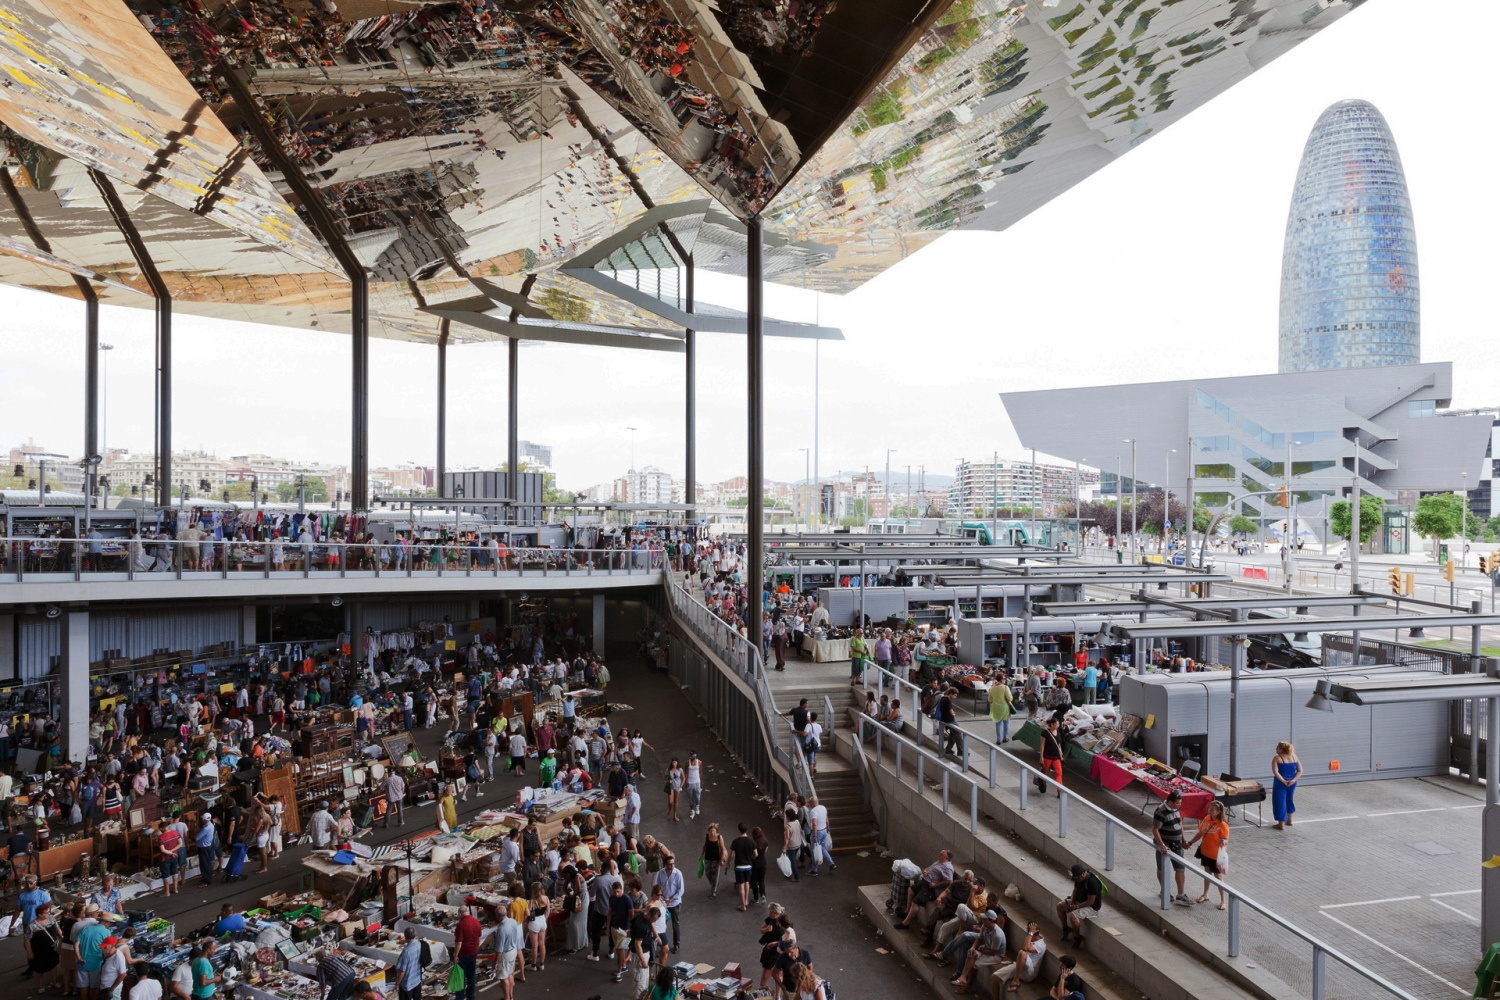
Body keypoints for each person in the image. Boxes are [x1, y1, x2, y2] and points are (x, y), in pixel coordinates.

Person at [1186, 800, 1230, 909]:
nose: (1209, 811)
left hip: (1216, 856)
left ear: (1218, 812)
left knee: (1218, 876)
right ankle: (1205, 894)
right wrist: (1190, 842)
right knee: (1207, 873)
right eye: (1209, 808)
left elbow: (1225, 839)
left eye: (1212, 809)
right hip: (1205, 852)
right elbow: (1200, 833)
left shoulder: (1223, 825)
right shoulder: (1206, 819)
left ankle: (1223, 900)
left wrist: (1223, 842)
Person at [1152, 790, 1192, 905]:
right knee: (1162, 868)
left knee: (1180, 868)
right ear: (1170, 802)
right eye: (1177, 803)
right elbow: (1155, 829)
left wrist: (1183, 840)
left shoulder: (1176, 808)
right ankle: (1164, 890)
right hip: (1165, 846)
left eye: (1180, 803)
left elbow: (1180, 824)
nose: (1180, 806)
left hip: (1177, 845)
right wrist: (1162, 845)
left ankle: (1181, 894)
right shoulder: (1160, 811)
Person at [949, 909, 1005, 993]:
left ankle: (968, 986)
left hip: (996, 955)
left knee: (975, 964)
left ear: (991, 921)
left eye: (985, 919)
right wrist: (973, 947)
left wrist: (980, 949)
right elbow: (979, 939)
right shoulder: (984, 927)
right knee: (971, 953)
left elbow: (993, 952)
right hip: (986, 947)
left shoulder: (998, 935)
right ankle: (963, 977)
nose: (982, 921)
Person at [990, 921, 1045, 995]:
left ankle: (1016, 981)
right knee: (994, 977)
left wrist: (1030, 933)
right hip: (1020, 966)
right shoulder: (1028, 938)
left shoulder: (1041, 944)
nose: (1027, 930)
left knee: (1022, 953)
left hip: (1029, 973)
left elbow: (1025, 948)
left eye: (1029, 929)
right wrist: (1030, 934)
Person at [1055, 864, 1102, 947]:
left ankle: (1077, 937)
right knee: (1059, 906)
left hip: (1091, 907)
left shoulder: (1092, 882)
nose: (1077, 880)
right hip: (1079, 901)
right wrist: (1072, 899)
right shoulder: (1078, 878)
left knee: (1073, 917)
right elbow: (1075, 890)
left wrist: (1077, 907)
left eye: (1078, 878)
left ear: (1083, 873)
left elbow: (1091, 901)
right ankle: (1065, 929)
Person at [26, 900, 61, 987]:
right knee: (40, 969)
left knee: (53, 965)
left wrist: (60, 935)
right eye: (46, 912)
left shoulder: (51, 919)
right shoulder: (32, 926)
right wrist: (29, 952)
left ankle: (54, 981)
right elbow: (27, 940)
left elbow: (57, 928)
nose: (49, 914)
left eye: (49, 912)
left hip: (52, 948)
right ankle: (41, 985)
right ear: (39, 914)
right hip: (39, 951)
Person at [654, 854, 684, 952]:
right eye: (669, 864)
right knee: (662, 924)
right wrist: (661, 896)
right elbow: (658, 885)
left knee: (675, 925)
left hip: (675, 903)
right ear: (665, 864)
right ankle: (662, 944)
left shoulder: (678, 873)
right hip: (664, 904)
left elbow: (681, 890)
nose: (671, 866)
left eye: (673, 864)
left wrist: (671, 899)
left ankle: (676, 945)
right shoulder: (661, 873)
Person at [453, 905, 482, 1000]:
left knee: (461, 977)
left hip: (463, 954)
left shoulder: (461, 924)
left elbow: (459, 942)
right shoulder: (476, 922)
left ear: (460, 913)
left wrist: (455, 955)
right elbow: (479, 937)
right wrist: (476, 948)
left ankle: (460, 997)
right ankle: (471, 993)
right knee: (471, 974)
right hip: (473, 952)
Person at [1272, 740, 1301, 830]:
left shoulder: (1277, 758)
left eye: (1277, 747)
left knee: (1279, 801)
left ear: (1281, 749)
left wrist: (1283, 781)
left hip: (1280, 783)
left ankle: (1281, 823)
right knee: (1289, 799)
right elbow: (1300, 771)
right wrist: (1293, 780)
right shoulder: (1294, 757)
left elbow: (1275, 772)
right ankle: (1290, 820)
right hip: (1292, 783)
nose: (1276, 749)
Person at [730, 823, 757, 911]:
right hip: (748, 866)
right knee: (747, 883)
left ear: (739, 830)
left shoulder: (736, 841)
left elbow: (732, 855)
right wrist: (750, 859)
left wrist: (728, 863)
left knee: (740, 885)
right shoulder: (751, 841)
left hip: (739, 866)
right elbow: (756, 854)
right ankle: (746, 900)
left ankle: (742, 905)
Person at [806, 796, 835, 875]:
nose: (808, 803)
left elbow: (814, 824)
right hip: (824, 830)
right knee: (822, 848)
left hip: (817, 832)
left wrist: (814, 836)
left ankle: (814, 870)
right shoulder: (823, 807)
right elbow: (826, 818)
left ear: (812, 803)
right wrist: (828, 827)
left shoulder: (813, 811)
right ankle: (831, 863)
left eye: (809, 802)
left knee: (815, 851)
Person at [525, 882, 549, 971]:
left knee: (534, 946)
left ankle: (533, 965)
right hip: (542, 921)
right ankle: (542, 964)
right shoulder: (546, 898)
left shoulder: (532, 901)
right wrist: (544, 919)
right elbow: (548, 911)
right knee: (542, 944)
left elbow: (528, 913)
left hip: (534, 923)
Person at [395, 928, 424, 1000]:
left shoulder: (406, 952)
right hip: (417, 979)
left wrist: (397, 984)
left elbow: (402, 971)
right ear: (415, 935)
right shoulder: (418, 944)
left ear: (405, 936)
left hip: (407, 983)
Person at [1038, 718, 1064, 795]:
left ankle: (1059, 791)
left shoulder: (1058, 732)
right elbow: (1042, 745)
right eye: (1057, 724)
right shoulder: (1045, 733)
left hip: (1056, 757)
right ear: (1052, 724)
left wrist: (1061, 753)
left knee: (1059, 773)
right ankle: (1041, 784)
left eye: (1059, 724)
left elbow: (1058, 744)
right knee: (1044, 771)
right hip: (1047, 756)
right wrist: (1041, 757)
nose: (1058, 725)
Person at [702, 822, 727, 897]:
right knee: (708, 873)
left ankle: (713, 891)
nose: (712, 832)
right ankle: (714, 884)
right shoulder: (707, 836)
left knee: (715, 874)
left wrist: (721, 860)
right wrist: (701, 855)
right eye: (711, 830)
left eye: (713, 830)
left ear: (716, 831)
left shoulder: (719, 837)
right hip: (707, 858)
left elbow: (722, 849)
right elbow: (705, 846)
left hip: (716, 859)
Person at [781, 807, 804, 881]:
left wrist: (785, 847)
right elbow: (800, 830)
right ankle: (788, 872)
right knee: (791, 859)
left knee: (792, 861)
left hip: (791, 846)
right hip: (798, 843)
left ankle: (796, 876)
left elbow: (787, 838)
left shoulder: (788, 826)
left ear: (787, 817)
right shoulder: (797, 822)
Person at [988, 680, 1013, 744]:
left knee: (998, 723)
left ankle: (998, 739)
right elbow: (1010, 698)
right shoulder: (1005, 687)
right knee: (1006, 723)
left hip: (996, 708)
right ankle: (1005, 737)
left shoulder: (992, 688)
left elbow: (990, 700)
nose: (1005, 680)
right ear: (1002, 680)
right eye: (1004, 679)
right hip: (1005, 708)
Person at [684, 751, 705, 820]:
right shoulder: (687, 763)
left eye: (692, 756)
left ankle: (697, 805)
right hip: (690, 782)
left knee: (697, 796)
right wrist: (686, 781)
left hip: (697, 782)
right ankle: (692, 810)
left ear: (695, 756)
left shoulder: (699, 762)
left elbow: (701, 772)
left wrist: (702, 782)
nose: (690, 757)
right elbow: (686, 773)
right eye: (690, 755)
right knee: (690, 797)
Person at [664, 758, 684, 822]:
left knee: (676, 801)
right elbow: (665, 777)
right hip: (671, 787)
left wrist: (681, 785)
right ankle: (670, 809)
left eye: (675, 762)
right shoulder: (669, 769)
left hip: (677, 787)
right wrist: (668, 780)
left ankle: (675, 815)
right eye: (673, 762)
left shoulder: (680, 769)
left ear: (677, 763)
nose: (674, 764)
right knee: (670, 801)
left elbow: (684, 778)